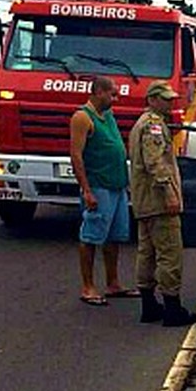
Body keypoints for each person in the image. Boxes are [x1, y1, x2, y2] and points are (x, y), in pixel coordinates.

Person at [129, 81, 196, 327]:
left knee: (146, 252)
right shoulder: (154, 126)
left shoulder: (141, 124)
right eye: (166, 100)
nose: (171, 103)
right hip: (158, 201)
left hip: (143, 201)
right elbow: (155, 162)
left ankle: (149, 305)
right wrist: (169, 191)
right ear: (153, 100)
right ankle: (172, 308)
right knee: (170, 253)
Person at [70, 76, 138, 306]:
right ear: (99, 92)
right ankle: (88, 286)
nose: (115, 98)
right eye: (112, 94)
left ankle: (113, 282)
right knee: (91, 235)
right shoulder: (82, 117)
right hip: (99, 185)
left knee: (115, 236)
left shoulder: (108, 116)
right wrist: (87, 190)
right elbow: (76, 155)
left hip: (117, 185)